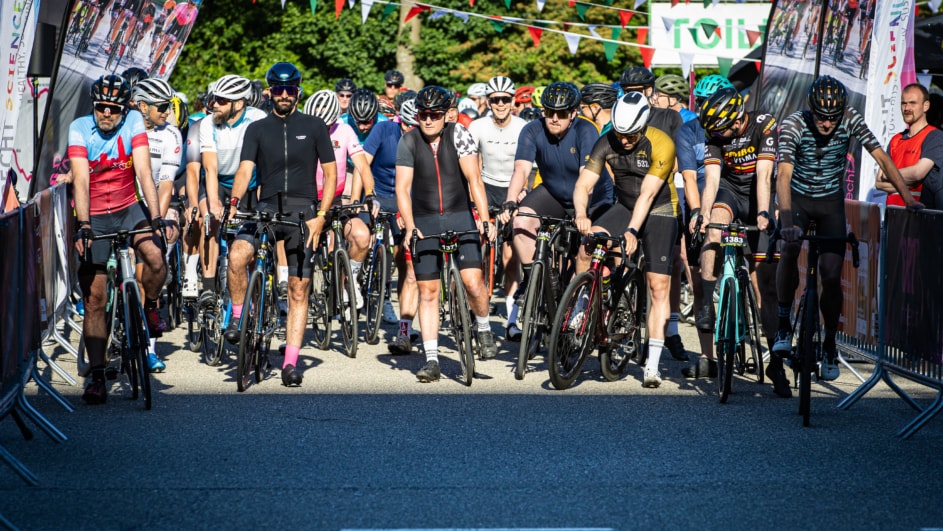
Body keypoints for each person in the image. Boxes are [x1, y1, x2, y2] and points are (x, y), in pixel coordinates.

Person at [773, 75, 922, 381]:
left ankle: (829, 345)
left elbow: (881, 156)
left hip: (830, 202)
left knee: (830, 274)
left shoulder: (850, 118)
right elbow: (783, 176)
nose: (827, 124)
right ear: (810, 110)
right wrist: (787, 223)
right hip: (799, 199)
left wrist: (907, 199)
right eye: (821, 118)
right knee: (788, 248)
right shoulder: (793, 125)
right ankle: (783, 323)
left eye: (832, 118)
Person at [225, 62, 337, 387]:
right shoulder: (257, 129)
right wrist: (234, 202)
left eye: (290, 89)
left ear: (298, 91)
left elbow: (329, 174)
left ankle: (290, 362)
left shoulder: (315, 127)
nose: (284, 95)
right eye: (278, 89)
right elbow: (245, 170)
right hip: (265, 209)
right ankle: (237, 316)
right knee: (236, 256)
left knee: (298, 289)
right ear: (269, 91)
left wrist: (322, 215)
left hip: (303, 213)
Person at [70, 75, 167, 404]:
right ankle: (97, 376)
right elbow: (81, 181)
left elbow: (144, 172)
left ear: (124, 110)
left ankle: (151, 306)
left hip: (128, 208)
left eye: (114, 108)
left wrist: (156, 218)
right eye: (101, 107)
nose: (107, 114)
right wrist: (83, 224)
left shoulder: (134, 122)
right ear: (93, 106)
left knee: (155, 257)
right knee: (95, 300)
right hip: (94, 214)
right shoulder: (80, 128)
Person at [573, 92, 679, 388]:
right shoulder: (606, 139)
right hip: (625, 205)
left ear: (643, 125)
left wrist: (632, 231)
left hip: (660, 209)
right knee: (588, 244)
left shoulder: (661, 142)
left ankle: (653, 365)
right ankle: (582, 303)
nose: (625, 140)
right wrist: (582, 214)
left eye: (631, 134)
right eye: (620, 133)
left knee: (658, 286)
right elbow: (584, 184)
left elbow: (647, 195)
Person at [395, 85, 497, 382]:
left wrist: (486, 218)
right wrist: (410, 225)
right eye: (423, 115)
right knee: (428, 291)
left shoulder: (459, 134)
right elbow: (402, 188)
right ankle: (431, 358)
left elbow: (474, 180)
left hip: (459, 214)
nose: (428, 121)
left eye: (434, 115)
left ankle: (484, 327)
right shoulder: (408, 141)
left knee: (473, 282)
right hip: (425, 220)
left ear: (445, 115)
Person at [690, 88, 784, 395]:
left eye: (721, 129)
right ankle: (707, 304)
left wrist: (763, 213)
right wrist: (703, 214)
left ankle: (777, 364)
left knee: (765, 289)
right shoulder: (715, 135)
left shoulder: (764, 123)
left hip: (758, 192)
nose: (717, 135)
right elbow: (713, 180)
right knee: (714, 226)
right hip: (731, 192)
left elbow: (764, 172)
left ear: (736, 120)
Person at [498, 82, 613, 317]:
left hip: (591, 195)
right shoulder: (532, 130)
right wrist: (510, 202)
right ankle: (535, 279)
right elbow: (520, 170)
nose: (554, 118)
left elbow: (585, 178)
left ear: (573, 114)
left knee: (583, 251)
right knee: (521, 221)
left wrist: (581, 214)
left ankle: (590, 303)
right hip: (553, 191)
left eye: (561, 114)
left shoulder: (585, 130)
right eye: (549, 112)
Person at [674, 73, 735, 379]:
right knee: (695, 270)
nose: (704, 107)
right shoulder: (688, 130)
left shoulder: (734, 125)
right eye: (700, 101)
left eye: (709, 101)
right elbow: (688, 178)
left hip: (732, 200)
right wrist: (697, 212)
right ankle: (706, 355)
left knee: (755, 271)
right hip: (698, 198)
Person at [300, 89, 375, 311]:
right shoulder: (303, 129)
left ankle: (348, 280)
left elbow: (361, 165)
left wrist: (369, 193)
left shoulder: (345, 130)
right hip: (308, 200)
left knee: (362, 236)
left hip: (336, 200)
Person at [467, 75, 528, 341]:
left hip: (514, 190)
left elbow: (529, 168)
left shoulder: (524, 127)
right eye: (495, 100)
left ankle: (511, 317)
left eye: (505, 99)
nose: (501, 104)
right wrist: (473, 197)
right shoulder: (477, 127)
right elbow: (471, 165)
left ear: (513, 101)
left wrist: (521, 195)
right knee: (477, 248)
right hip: (486, 187)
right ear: (488, 102)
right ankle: (474, 304)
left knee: (509, 255)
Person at [198, 75, 268, 305]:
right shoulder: (208, 123)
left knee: (252, 233)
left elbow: (262, 162)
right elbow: (210, 168)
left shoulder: (258, 119)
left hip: (249, 183)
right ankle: (208, 286)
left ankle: (252, 286)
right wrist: (214, 204)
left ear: (238, 104)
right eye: (214, 99)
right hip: (218, 180)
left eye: (222, 100)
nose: (214, 104)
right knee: (209, 218)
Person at [361, 97, 422, 352]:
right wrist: (363, 197)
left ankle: (404, 329)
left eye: (414, 125)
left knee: (405, 262)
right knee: (362, 236)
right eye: (405, 124)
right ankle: (359, 277)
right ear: (399, 120)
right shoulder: (383, 129)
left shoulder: (425, 138)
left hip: (406, 200)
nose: (409, 129)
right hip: (381, 193)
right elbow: (362, 162)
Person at [133, 77, 184, 373]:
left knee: (150, 267)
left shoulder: (171, 135)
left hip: (151, 206)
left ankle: (148, 346)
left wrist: (156, 222)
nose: (168, 111)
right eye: (163, 106)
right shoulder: (126, 129)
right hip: (123, 204)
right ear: (143, 106)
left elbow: (165, 183)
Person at [875, 83, 943, 209]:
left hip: (919, 216)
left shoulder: (935, 136)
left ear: (925, 106)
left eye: (913, 103)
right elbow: (878, 182)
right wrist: (912, 183)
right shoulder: (896, 139)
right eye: (904, 103)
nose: (907, 108)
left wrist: (888, 175)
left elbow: (918, 173)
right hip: (893, 215)